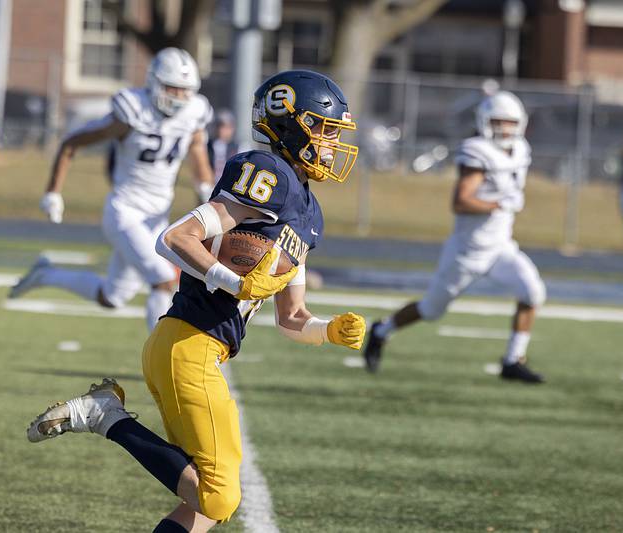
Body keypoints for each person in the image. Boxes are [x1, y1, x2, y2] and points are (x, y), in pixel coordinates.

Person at [26, 70, 367, 532]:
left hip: (200, 349)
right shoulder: (268, 175)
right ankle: (105, 415)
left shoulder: (310, 213)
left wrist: (326, 329)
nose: (331, 144)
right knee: (218, 496)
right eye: (325, 130)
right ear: (290, 124)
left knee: (204, 509)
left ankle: (107, 413)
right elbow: (174, 238)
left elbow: (291, 318)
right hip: (188, 345)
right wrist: (232, 281)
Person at [8, 48, 215, 331]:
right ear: (153, 82)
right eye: (172, 88)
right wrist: (52, 192)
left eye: (184, 90)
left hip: (157, 217)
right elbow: (71, 144)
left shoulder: (195, 113)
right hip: (124, 211)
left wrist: (207, 194)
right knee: (164, 280)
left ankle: (46, 275)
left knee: (112, 296)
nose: (178, 97)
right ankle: (163, 362)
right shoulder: (131, 112)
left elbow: (197, 153)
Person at [362, 90, 547, 383]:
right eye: (498, 122)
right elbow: (461, 201)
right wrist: (498, 203)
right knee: (431, 310)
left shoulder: (520, 149)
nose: (505, 129)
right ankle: (381, 331)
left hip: (500, 248)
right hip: (467, 253)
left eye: (510, 123)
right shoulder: (477, 150)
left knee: (532, 292)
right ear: (485, 121)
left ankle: (512, 360)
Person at [206, 108, 239, 183]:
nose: (222, 130)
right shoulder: (207, 146)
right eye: (219, 126)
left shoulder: (240, 148)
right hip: (209, 186)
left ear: (232, 128)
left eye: (227, 127)